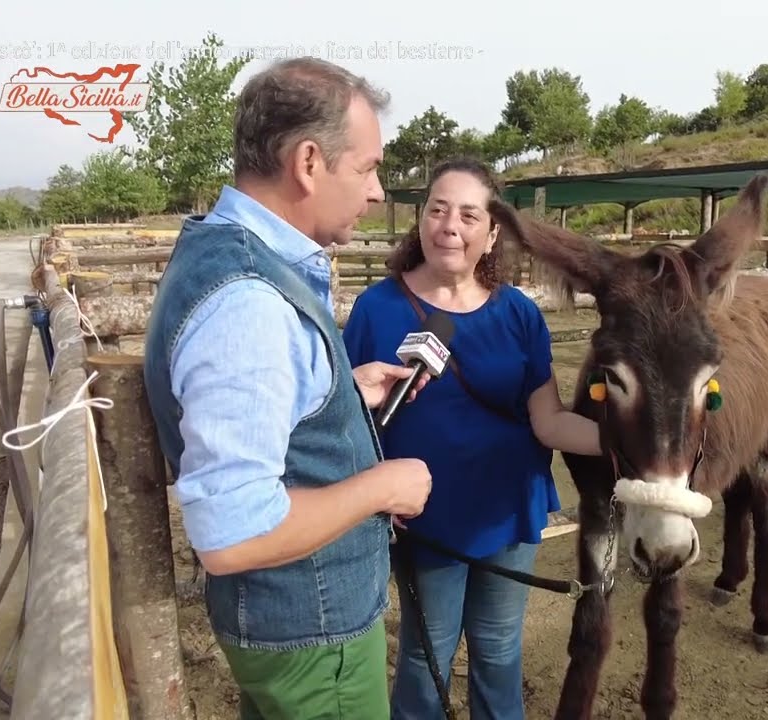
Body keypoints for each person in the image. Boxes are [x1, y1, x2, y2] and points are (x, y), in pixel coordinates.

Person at [142, 57, 433, 720]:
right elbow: (233, 535)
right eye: (366, 168)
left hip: (288, 625)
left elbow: (251, 403)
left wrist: (342, 391)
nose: (378, 191)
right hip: (311, 631)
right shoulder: (250, 303)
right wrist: (384, 487)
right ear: (308, 162)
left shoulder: (227, 253)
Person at [341, 157, 603, 720]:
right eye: (437, 209)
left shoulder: (519, 315)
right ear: (420, 222)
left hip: (509, 511)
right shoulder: (376, 309)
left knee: (499, 650)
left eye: (467, 213)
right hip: (425, 520)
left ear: (492, 233)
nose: (449, 225)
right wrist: (369, 494)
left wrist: (630, 445)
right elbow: (346, 424)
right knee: (425, 654)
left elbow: (548, 421)